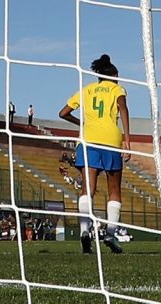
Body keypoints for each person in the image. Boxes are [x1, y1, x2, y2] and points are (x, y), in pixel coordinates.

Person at [59, 54, 130, 255]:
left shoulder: (86, 90)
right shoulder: (117, 89)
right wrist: (127, 137)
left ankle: (84, 232)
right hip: (110, 141)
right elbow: (123, 108)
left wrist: (81, 124)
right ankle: (109, 234)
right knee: (114, 190)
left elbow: (62, 113)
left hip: (87, 140)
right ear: (114, 75)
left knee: (88, 188)